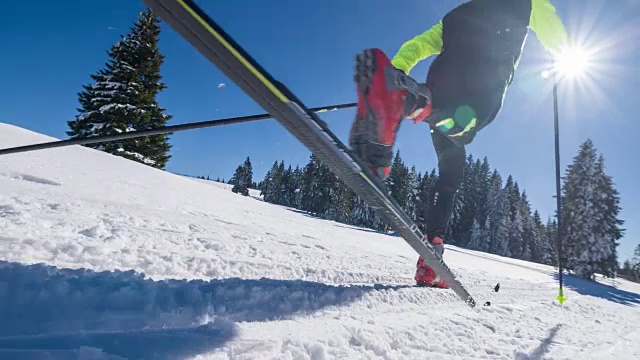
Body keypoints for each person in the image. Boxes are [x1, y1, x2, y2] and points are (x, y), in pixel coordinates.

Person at [348, 0, 570, 288]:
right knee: (466, 126)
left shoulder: (456, 15)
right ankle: (412, 104)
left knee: (452, 168)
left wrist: (396, 74)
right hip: (481, 85)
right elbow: (557, 38)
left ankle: (432, 256)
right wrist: (562, 57)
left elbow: (417, 45)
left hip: (439, 86)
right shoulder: (528, 4)